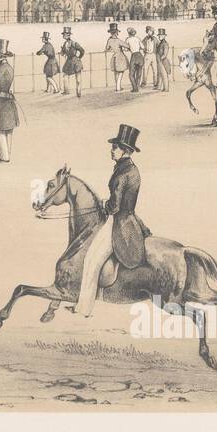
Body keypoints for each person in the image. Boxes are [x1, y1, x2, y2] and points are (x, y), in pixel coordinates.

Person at [74, 124, 150, 317]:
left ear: (125, 150)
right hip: (129, 219)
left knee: (92, 259)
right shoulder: (131, 169)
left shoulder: (124, 173)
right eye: (113, 147)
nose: (112, 150)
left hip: (119, 223)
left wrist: (103, 205)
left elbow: (115, 207)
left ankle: (83, 309)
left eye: (115, 147)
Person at [59, 25, 84, 97]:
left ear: (68, 35)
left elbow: (82, 50)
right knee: (65, 75)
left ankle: (79, 93)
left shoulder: (74, 43)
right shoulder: (64, 44)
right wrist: (62, 52)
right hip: (69, 61)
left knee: (78, 78)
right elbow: (62, 53)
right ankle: (66, 91)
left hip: (75, 61)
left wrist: (79, 57)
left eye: (64, 34)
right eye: (63, 34)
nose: (63, 36)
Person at [155, 28, 171, 92]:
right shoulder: (160, 43)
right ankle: (159, 87)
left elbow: (165, 54)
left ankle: (166, 88)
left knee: (164, 75)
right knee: (160, 74)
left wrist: (160, 59)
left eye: (161, 36)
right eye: (159, 35)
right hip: (159, 61)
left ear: (164, 36)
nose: (159, 37)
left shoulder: (165, 44)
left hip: (162, 61)